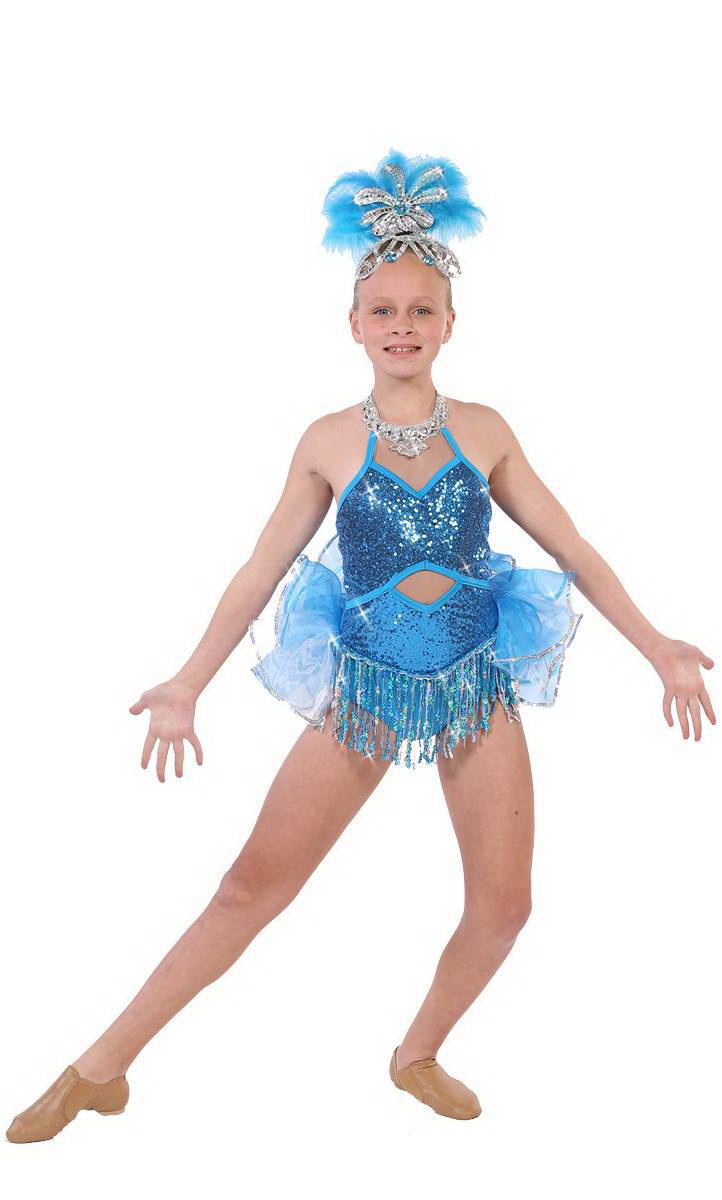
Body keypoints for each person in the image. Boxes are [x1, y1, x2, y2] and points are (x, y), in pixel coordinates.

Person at [7, 149, 716, 1142]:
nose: (401, 326)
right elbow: (258, 570)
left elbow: (574, 549)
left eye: (421, 310)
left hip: (472, 683)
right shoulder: (327, 441)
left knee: (505, 906)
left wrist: (659, 645)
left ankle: (416, 1051)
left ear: (450, 323)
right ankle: (99, 1069)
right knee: (251, 887)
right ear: (353, 324)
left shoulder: (486, 431)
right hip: (368, 688)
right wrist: (187, 682)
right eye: (383, 310)